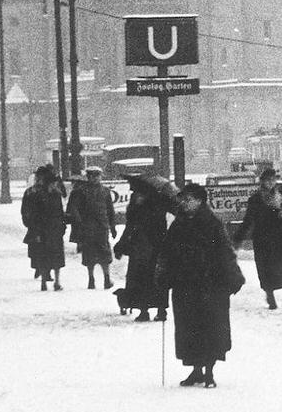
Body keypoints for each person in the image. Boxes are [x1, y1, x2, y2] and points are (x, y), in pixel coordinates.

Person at [156, 181, 244, 388]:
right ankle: (195, 370)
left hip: (210, 283)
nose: (185, 203)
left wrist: (233, 276)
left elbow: (225, 251)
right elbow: (167, 251)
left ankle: (209, 372)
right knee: (188, 326)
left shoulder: (212, 223)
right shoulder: (178, 223)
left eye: (189, 199)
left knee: (210, 326)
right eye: (183, 199)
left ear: (200, 201)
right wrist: (163, 274)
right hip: (184, 283)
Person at [114, 174, 177, 322]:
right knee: (155, 277)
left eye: (133, 185)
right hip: (156, 242)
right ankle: (158, 310)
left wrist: (122, 244)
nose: (130, 188)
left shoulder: (145, 201)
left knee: (143, 276)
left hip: (144, 244)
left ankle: (145, 310)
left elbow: (130, 225)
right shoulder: (158, 199)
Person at [233, 165, 282, 309]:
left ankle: (271, 290)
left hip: (277, 238)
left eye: (272, 180)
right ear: (262, 182)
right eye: (267, 180)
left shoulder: (281, 197)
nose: (270, 183)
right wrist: (238, 238)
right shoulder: (255, 199)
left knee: (276, 266)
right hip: (262, 237)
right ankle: (270, 293)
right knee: (264, 268)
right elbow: (249, 219)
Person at [66, 166, 117, 291]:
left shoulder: (105, 191)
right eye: (92, 176)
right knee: (89, 253)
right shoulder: (80, 191)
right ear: (88, 177)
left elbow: (110, 210)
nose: (95, 178)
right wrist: (79, 222)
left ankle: (106, 278)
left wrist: (112, 226)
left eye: (97, 176)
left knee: (104, 252)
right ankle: (91, 278)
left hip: (102, 226)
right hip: (87, 226)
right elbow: (74, 208)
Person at [20, 164, 67, 290]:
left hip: (47, 229)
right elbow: (28, 212)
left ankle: (48, 279)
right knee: (49, 255)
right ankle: (49, 280)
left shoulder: (34, 192)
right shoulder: (35, 193)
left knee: (45, 254)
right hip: (47, 228)